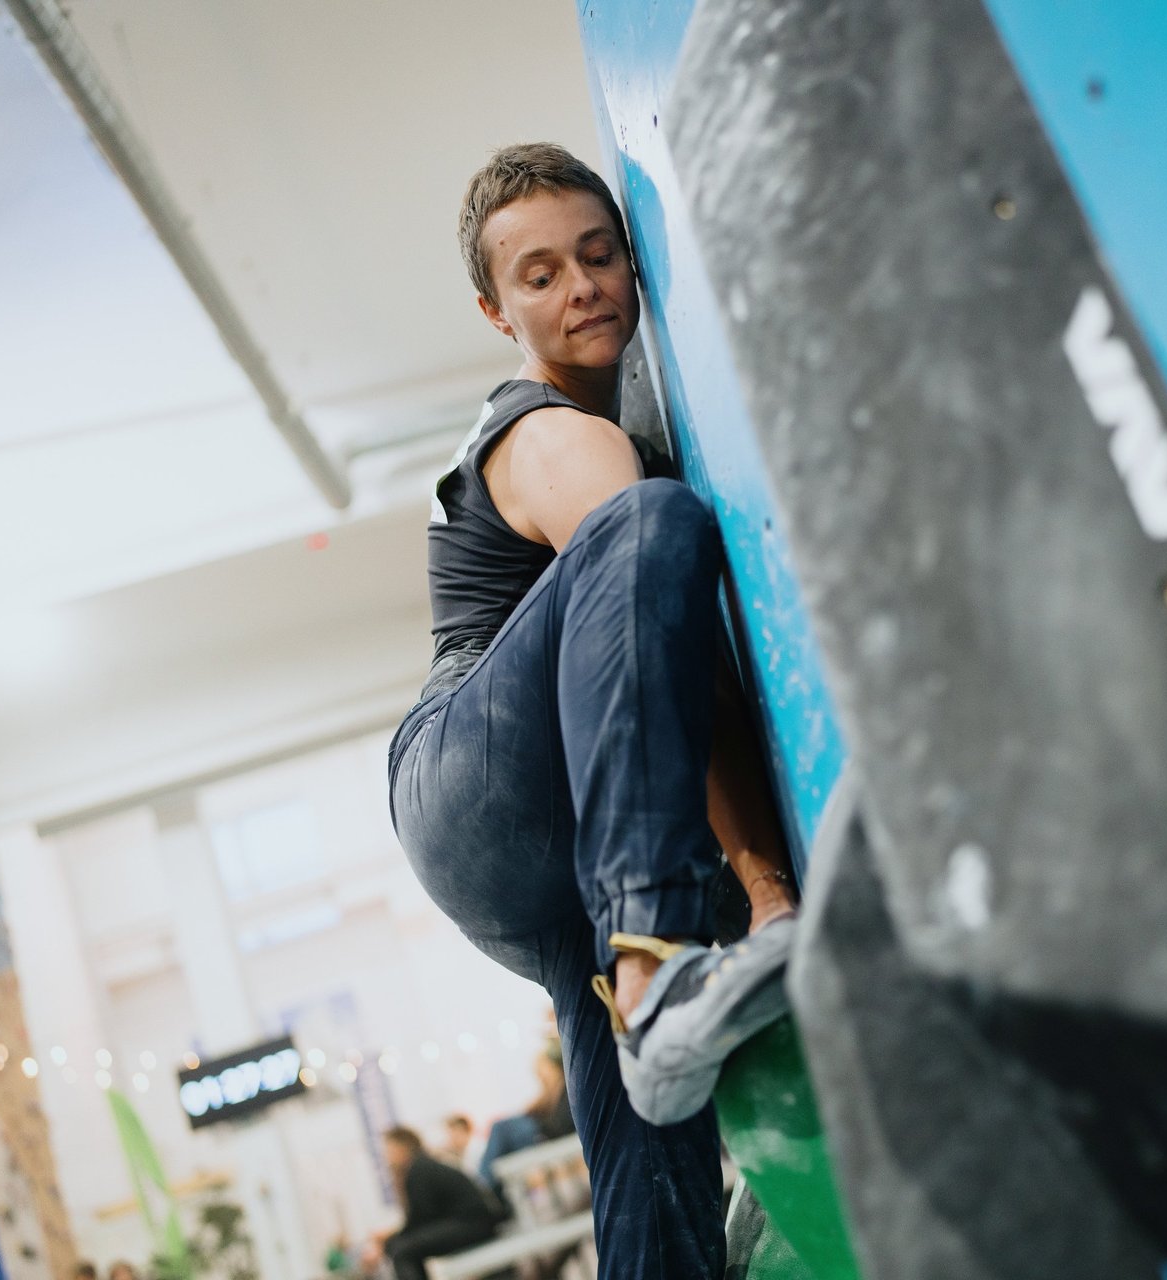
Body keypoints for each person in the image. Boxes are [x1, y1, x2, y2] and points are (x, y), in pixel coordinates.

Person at [386, 143, 801, 1280]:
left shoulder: (628, 429)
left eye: (597, 253)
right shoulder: (551, 435)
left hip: (561, 858)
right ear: (496, 309)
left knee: (649, 1144)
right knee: (654, 526)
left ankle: (646, 976)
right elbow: (674, 667)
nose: (579, 287)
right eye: (537, 274)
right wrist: (761, 894)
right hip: (475, 778)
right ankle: (654, 957)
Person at [366, 1127, 503, 1280]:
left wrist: (391, 1236)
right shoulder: (424, 1165)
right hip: (472, 1221)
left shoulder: (419, 1170)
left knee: (402, 1250)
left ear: (402, 1148)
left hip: (474, 1223)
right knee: (399, 1246)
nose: (387, 1157)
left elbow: (421, 1218)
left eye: (389, 1150)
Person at [477, 1037, 576, 1194]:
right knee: (502, 1133)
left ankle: (482, 1188)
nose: (539, 1073)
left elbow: (561, 1125)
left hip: (543, 1135)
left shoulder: (565, 1088)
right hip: (541, 1133)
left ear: (554, 1066)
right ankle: (487, 1187)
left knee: (500, 1129)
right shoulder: (551, 1094)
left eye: (543, 1067)